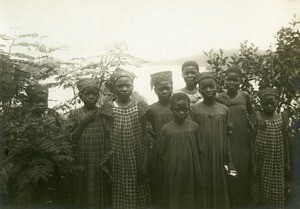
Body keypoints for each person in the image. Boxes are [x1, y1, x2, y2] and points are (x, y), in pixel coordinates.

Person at [100, 69, 151, 209]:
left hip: (137, 157)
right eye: (120, 86)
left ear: (133, 86)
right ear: (113, 88)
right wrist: (107, 164)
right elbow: (106, 138)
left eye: (128, 85)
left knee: (139, 190)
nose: (124, 88)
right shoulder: (108, 109)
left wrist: (145, 163)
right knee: (119, 192)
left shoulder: (139, 106)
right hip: (117, 160)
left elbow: (146, 136)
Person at [191, 72, 234, 209]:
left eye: (211, 86)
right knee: (203, 184)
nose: (208, 90)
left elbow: (227, 137)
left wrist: (230, 161)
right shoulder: (194, 110)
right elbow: (192, 135)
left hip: (219, 156)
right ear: (199, 89)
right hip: (201, 155)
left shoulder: (225, 110)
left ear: (218, 87)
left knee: (219, 183)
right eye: (204, 87)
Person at [66, 78, 111, 209]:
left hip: (99, 158)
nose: (91, 97)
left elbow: (109, 136)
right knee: (82, 187)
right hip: (82, 158)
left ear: (98, 95)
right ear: (81, 96)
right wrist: (83, 122)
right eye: (87, 94)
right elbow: (71, 138)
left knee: (98, 186)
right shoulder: (75, 114)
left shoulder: (103, 113)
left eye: (94, 93)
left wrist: (107, 156)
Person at [156, 93, 206, 209]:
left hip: (191, 170)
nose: (182, 113)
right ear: (171, 109)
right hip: (173, 171)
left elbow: (201, 150)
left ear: (189, 108)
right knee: (175, 196)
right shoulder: (166, 129)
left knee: (191, 196)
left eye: (185, 109)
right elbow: (161, 153)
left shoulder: (194, 127)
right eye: (178, 110)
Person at [216, 66, 255, 208]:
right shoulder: (219, 97)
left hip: (242, 139)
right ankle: (230, 201)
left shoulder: (244, 96)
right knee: (229, 168)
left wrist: (252, 129)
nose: (231, 82)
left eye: (235, 79)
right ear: (224, 81)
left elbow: (251, 114)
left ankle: (242, 201)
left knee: (243, 168)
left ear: (241, 81)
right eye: (228, 79)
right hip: (227, 138)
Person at [251, 88, 291, 208]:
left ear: (277, 102)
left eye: (272, 103)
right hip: (261, 160)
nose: (269, 105)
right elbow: (251, 141)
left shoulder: (282, 119)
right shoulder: (257, 119)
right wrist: (253, 164)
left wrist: (287, 161)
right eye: (265, 103)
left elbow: (286, 142)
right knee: (260, 187)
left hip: (277, 161)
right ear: (261, 104)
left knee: (276, 188)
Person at [147, 71, 174, 207]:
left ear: (172, 87)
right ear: (155, 90)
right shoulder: (151, 109)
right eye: (160, 89)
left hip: (176, 150)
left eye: (167, 88)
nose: (164, 91)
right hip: (159, 152)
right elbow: (148, 130)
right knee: (160, 182)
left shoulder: (178, 107)